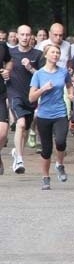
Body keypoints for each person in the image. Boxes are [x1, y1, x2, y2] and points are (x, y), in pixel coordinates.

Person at [29, 45, 74, 190]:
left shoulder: (63, 72)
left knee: (60, 142)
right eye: (53, 52)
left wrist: (71, 94)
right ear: (46, 55)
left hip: (60, 112)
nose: (55, 55)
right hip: (44, 115)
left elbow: (68, 84)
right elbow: (31, 98)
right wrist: (43, 89)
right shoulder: (39, 74)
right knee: (46, 149)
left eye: (58, 52)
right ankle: (45, 177)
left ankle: (60, 165)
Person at [8, 25, 44, 174]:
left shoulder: (38, 54)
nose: (24, 37)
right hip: (14, 93)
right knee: (21, 124)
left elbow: (42, 76)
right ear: (16, 35)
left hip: (30, 96)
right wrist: (4, 72)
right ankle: (20, 159)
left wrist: (30, 68)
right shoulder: (9, 53)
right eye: (22, 34)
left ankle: (17, 152)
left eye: (27, 35)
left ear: (32, 37)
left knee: (24, 130)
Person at [0, 38, 13, 174]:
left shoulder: (2, 46)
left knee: (3, 133)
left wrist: (7, 70)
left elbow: (9, 61)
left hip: (0, 94)